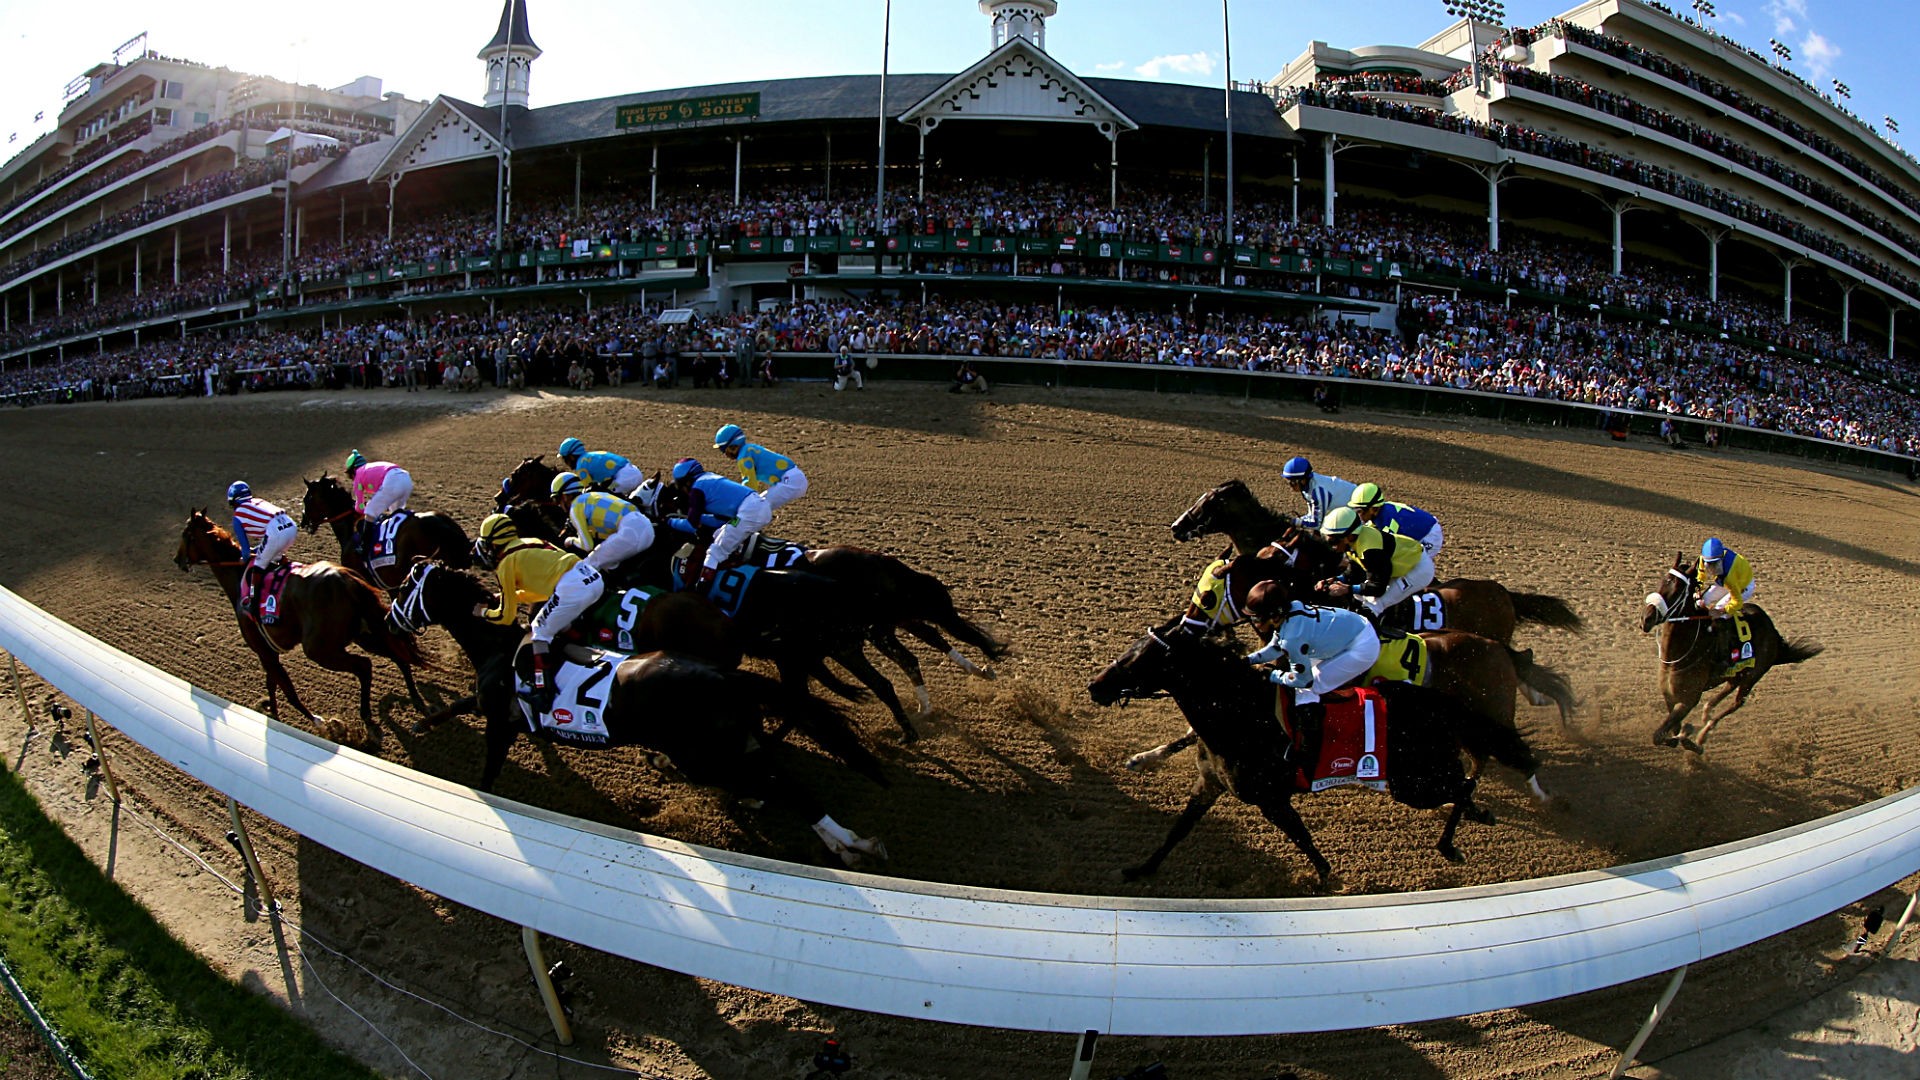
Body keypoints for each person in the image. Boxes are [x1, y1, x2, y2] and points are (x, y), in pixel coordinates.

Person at [1242, 583, 1381, 764]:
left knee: (1310, 688)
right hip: (1352, 633)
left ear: (1274, 614)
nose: (1255, 623)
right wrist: (1248, 660)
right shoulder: (1288, 615)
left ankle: (1308, 751)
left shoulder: (1293, 636)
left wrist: (1272, 675)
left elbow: (1303, 681)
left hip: (1362, 647)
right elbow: (1275, 647)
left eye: (1258, 617)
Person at [471, 512, 590, 719]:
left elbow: (506, 617)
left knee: (539, 630)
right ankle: (583, 647)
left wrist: (483, 612)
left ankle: (543, 692)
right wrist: (512, 596)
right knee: (554, 621)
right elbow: (543, 590)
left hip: (571, 587)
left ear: (494, 543)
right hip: (588, 576)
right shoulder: (529, 541)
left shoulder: (506, 563)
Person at [667, 456, 771, 591]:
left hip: (749, 511)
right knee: (719, 534)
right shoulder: (708, 479)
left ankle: (701, 589)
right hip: (755, 507)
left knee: (715, 551)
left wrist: (668, 521)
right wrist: (698, 518)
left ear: (686, 482)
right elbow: (718, 521)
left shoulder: (696, 489)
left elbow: (690, 526)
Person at [1318, 505, 1432, 620]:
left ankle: (1376, 637)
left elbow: (1378, 589)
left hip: (1417, 569)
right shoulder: (1355, 541)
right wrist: (1337, 579)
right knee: (1359, 596)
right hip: (1399, 564)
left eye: (1334, 542)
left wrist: (1347, 589)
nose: (1333, 547)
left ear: (1350, 536)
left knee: (1373, 606)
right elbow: (1354, 572)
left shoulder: (1370, 551)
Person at [226, 481, 298, 624]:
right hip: (291, 527)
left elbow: (245, 552)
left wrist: (245, 557)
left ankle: (253, 603)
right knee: (273, 556)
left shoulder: (237, 516)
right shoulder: (258, 501)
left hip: (276, 532)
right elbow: (267, 541)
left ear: (233, 501)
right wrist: (257, 550)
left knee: (258, 564)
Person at [713, 423, 808, 516]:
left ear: (733, 446)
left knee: (755, 507)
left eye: (723, 449)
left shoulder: (744, 457)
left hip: (790, 481)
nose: (724, 454)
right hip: (793, 478)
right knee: (758, 505)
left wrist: (739, 501)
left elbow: (750, 483)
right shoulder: (749, 449)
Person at [344, 450, 413, 561]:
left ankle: (364, 547)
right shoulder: (371, 468)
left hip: (392, 481)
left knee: (370, 512)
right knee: (396, 516)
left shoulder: (358, 475)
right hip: (406, 479)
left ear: (353, 470)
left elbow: (359, 507)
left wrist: (362, 508)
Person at [1348, 483, 1444, 558]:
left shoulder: (1388, 521)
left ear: (1374, 509)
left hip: (1429, 537)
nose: (1358, 515)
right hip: (1424, 527)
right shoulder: (1382, 511)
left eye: (1360, 511)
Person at [1282, 455, 1356, 531]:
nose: (1290, 485)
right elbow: (1312, 516)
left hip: (1359, 513)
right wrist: (1296, 520)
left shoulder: (1318, 492)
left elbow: (1316, 524)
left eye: (1293, 482)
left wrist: (1294, 522)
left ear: (1303, 480)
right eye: (1288, 481)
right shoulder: (1308, 486)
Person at [557, 437, 645, 496]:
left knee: (604, 497)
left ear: (571, 457)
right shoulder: (589, 456)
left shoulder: (581, 466)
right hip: (633, 471)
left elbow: (588, 491)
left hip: (624, 479)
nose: (565, 463)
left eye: (565, 459)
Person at [1695, 538, 1755, 618]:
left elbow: (1737, 602)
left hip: (1742, 586)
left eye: (1715, 563)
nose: (1712, 568)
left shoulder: (1729, 575)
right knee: (1703, 600)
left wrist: (1722, 611)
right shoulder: (1703, 558)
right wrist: (1698, 589)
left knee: (1718, 612)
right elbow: (1701, 575)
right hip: (1725, 582)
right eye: (1709, 564)